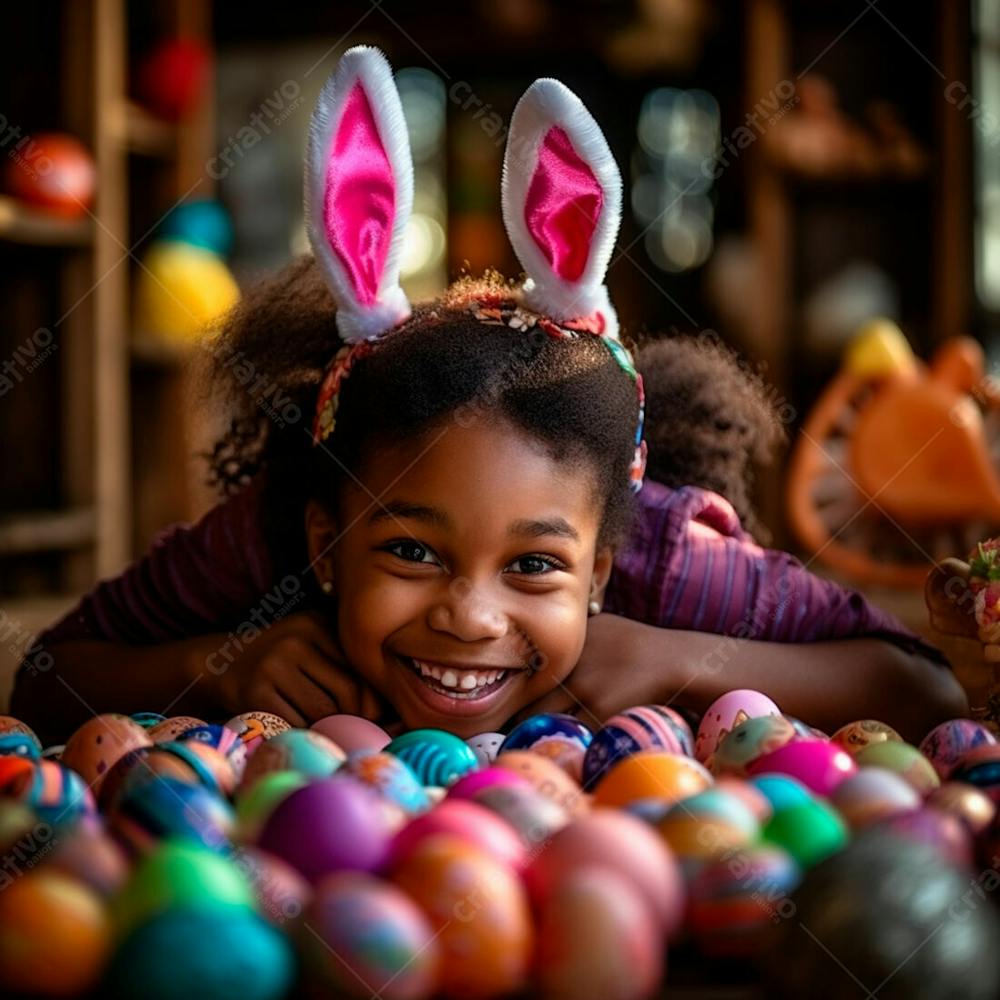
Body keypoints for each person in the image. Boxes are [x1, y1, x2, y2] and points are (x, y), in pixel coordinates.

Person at [11, 48, 965, 746]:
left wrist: (682, 658)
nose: (470, 615)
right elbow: (45, 678)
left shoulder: (667, 559)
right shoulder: (270, 537)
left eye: (537, 568)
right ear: (326, 544)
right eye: (413, 550)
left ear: (600, 571)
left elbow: (930, 688)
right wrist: (212, 665)